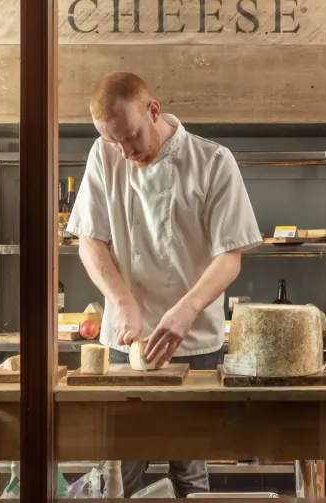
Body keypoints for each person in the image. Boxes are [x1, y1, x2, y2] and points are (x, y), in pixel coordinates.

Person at [67, 71, 262, 497]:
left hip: (194, 342)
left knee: (189, 469)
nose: (124, 150)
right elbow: (89, 241)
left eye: (131, 136)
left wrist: (186, 309)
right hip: (125, 340)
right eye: (112, 140)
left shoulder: (212, 161)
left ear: (153, 111)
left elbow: (229, 256)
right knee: (120, 471)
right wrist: (121, 298)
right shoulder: (104, 155)